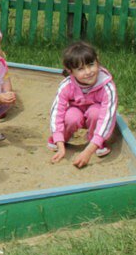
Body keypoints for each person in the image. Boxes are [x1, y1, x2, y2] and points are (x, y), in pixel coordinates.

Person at [49, 41, 119, 169]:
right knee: (71, 117)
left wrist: (88, 151)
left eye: (91, 64)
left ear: (97, 61)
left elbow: (107, 118)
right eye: (80, 69)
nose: (88, 72)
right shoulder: (66, 86)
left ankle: (96, 141)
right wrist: (59, 141)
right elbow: (56, 113)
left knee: (95, 114)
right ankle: (62, 139)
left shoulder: (107, 87)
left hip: (95, 113)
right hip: (76, 111)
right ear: (70, 71)